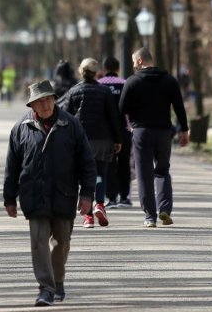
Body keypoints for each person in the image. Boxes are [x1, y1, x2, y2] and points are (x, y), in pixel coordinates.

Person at [3, 80, 96, 306]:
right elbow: (12, 165)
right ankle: (45, 287)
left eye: (48, 99)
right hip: (33, 194)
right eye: (39, 101)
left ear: (54, 99)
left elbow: (87, 162)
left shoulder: (71, 125)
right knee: (38, 242)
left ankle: (58, 280)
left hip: (64, 194)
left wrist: (86, 195)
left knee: (61, 242)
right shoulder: (20, 128)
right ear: (32, 106)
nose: (45, 104)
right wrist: (9, 198)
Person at [119, 48, 189, 227]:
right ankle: (165, 209)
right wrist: (184, 130)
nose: (133, 64)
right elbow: (179, 107)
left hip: (141, 131)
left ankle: (150, 216)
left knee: (144, 173)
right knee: (163, 170)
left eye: (134, 61)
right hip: (164, 131)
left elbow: (122, 108)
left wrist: (131, 119)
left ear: (141, 60)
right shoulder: (169, 80)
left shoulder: (133, 81)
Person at [59, 58, 123, 228]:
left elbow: (65, 117)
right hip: (103, 140)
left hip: (81, 141)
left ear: (81, 71)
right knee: (100, 173)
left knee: (84, 178)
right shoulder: (105, 91)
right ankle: (100, 205)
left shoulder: (74, 91)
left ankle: (88, 217)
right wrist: (118, 139)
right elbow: (113, 117)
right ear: (96, 73)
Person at [98, 56, 133, 208]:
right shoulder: (125, 84)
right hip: (124, 129)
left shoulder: (98, 85)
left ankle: (111, 197)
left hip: (105, 131)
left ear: (104, 69)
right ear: (118, 69)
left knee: (109, 163)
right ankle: (124, 196)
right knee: (124, 162)